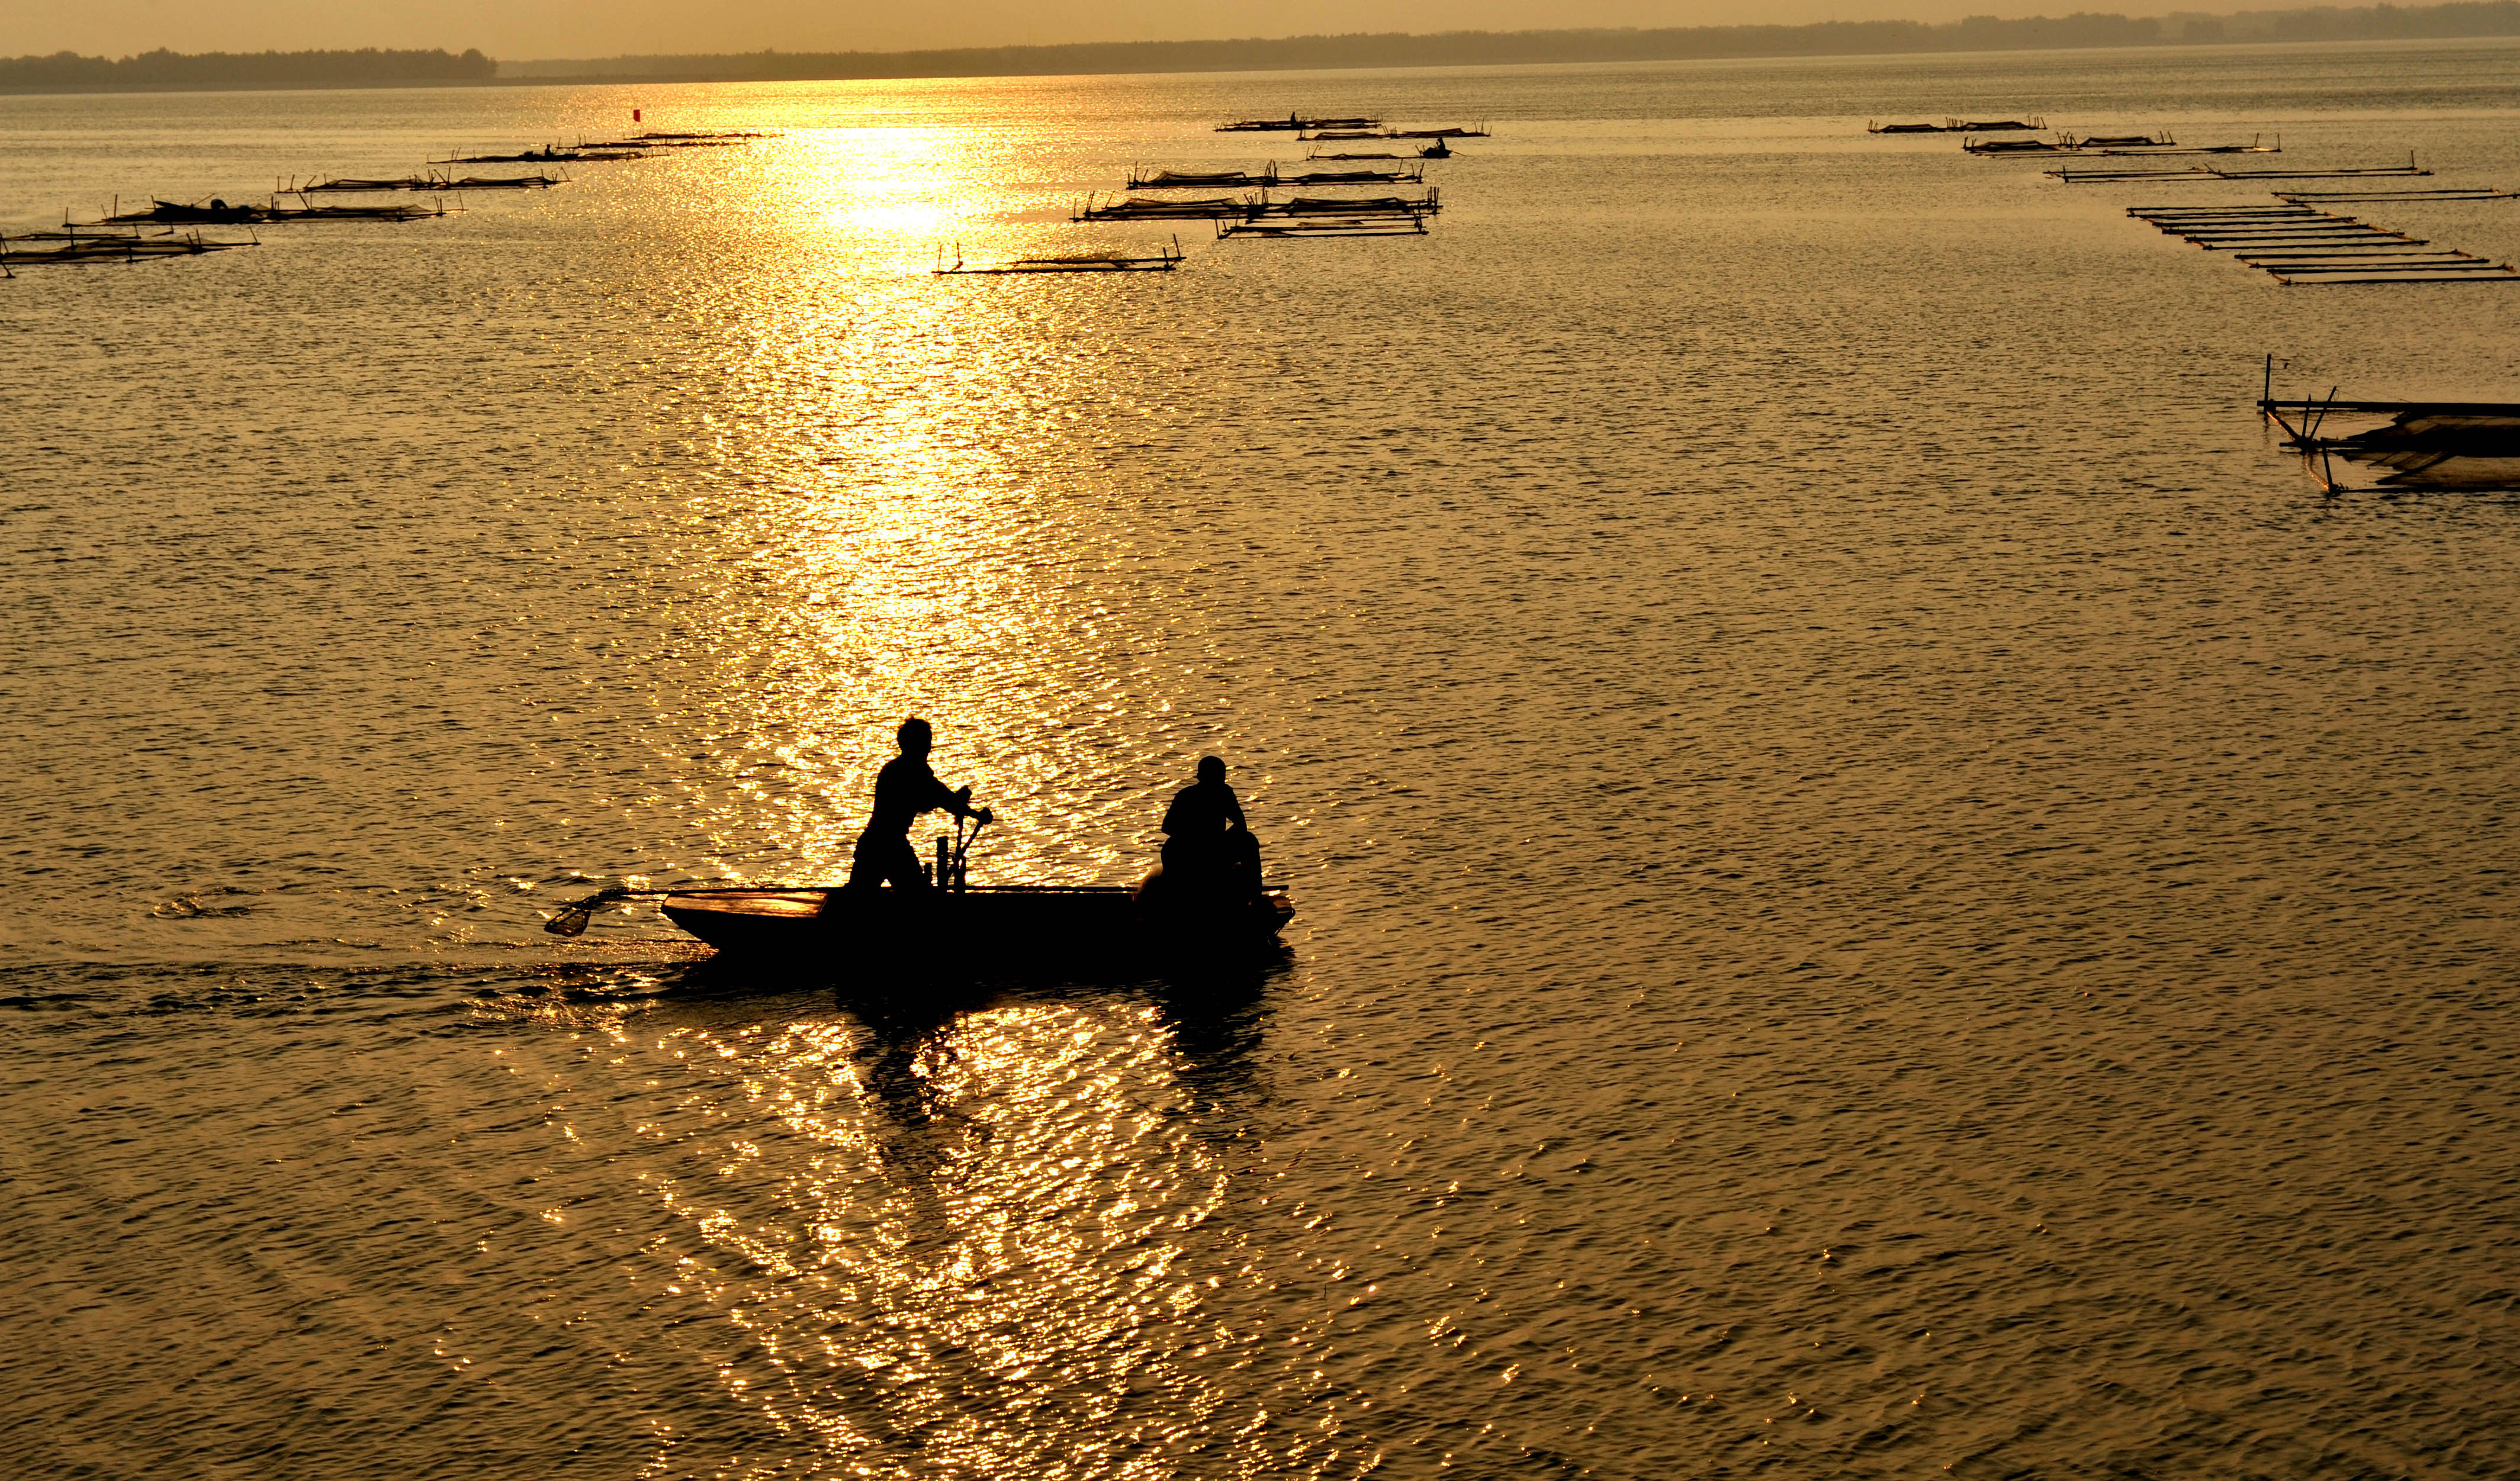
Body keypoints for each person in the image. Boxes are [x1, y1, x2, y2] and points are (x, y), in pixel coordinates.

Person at [847, 718, 991, 891]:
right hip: (891, 847)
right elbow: (939, 799)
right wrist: (975, 813)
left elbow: (937, 798)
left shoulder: (893, 769)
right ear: (915, 745)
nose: (929, 749)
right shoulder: (914, 772)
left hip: (874, 845)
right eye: (926, 743)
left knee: (856, 898)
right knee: (921, 899)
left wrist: (960, 805)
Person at [1160, 756, 1264, 903]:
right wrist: (1195, 841)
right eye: (1216, 777)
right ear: (1200, 777)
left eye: (1221, 777)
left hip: (1216, 849)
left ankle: (1256, 898)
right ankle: (1173, 898)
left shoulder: (1224, 793)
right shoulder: (1186, 795)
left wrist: (1219, 841)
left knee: (1249, 840)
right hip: (1188, 851)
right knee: (1172, 850)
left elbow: (1241, 825)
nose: (1219, 782)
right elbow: (1168, 827)